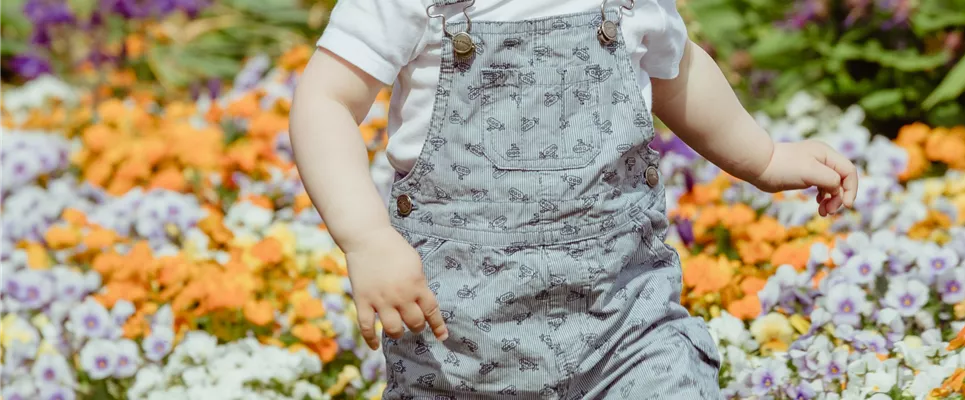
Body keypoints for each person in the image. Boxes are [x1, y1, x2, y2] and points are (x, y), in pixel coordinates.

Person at [287, 0, 859, 397]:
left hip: (623, 328)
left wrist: (762, 157)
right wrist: (367, 238)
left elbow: (674, 65)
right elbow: (326, 100)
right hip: (458, 352)